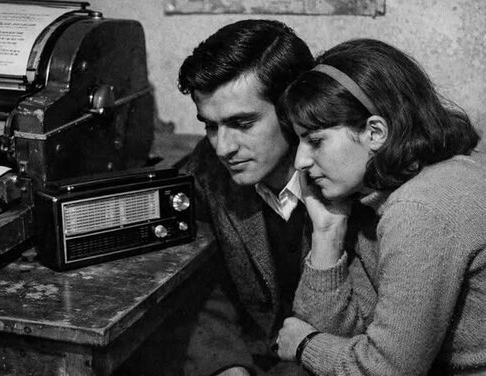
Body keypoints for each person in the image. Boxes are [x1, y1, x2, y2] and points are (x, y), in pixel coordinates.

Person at [174, 20, 374, 376]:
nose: (223, 147)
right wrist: (225, 366)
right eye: (210, 126)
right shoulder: (206, 169)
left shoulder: (352, 176)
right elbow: (203, 289)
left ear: (290, 109)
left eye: (242, 124)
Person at [275, 38, 486, 375]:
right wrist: (327, 232)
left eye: (315, 140)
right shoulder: (375, 198)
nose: (300, 161)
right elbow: (348, 334)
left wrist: (304, 346)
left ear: (375, 132)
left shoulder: (420, 209)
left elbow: (388, 369)